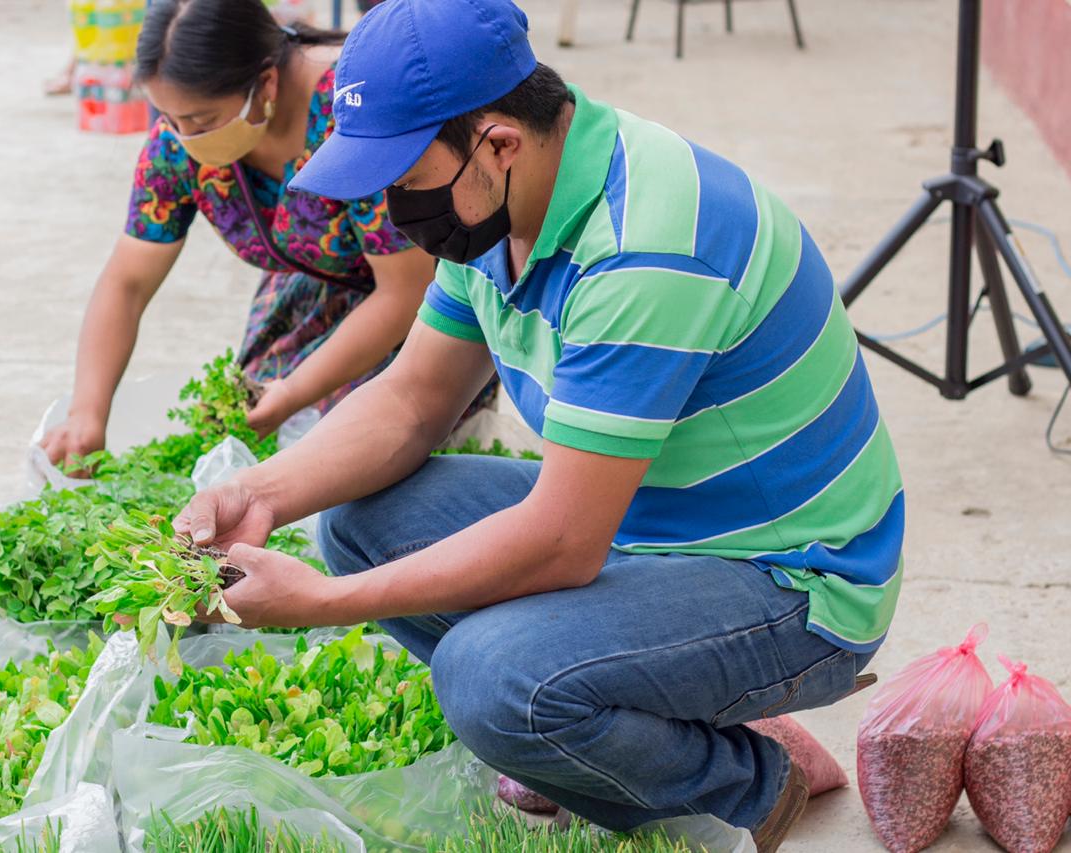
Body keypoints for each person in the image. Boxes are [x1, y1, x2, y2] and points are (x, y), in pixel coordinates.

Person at [172, 0, 904, 847]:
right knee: (360, 522)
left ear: (499, 143)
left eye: (405, 178)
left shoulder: (644, 248)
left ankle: (749, 782)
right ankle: (635, 704)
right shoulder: (500, 206)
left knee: (490, 680)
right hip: (645, 517)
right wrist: (258, 493)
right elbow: (413, 399)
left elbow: (562, 541)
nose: (394, 207)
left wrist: (322, 604)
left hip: (787, 578)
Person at [42, 0, 455, 467]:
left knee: (349, 453)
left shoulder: (352, 113)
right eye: (169, 117)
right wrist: (87, 412)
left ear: (267, 82)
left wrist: (293, 392)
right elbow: (128, 282)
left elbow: (405, 292)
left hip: (426, 304)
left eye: (203, 121)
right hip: (312, 294)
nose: (184, 136)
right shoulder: (175, 143)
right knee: (248, 440)